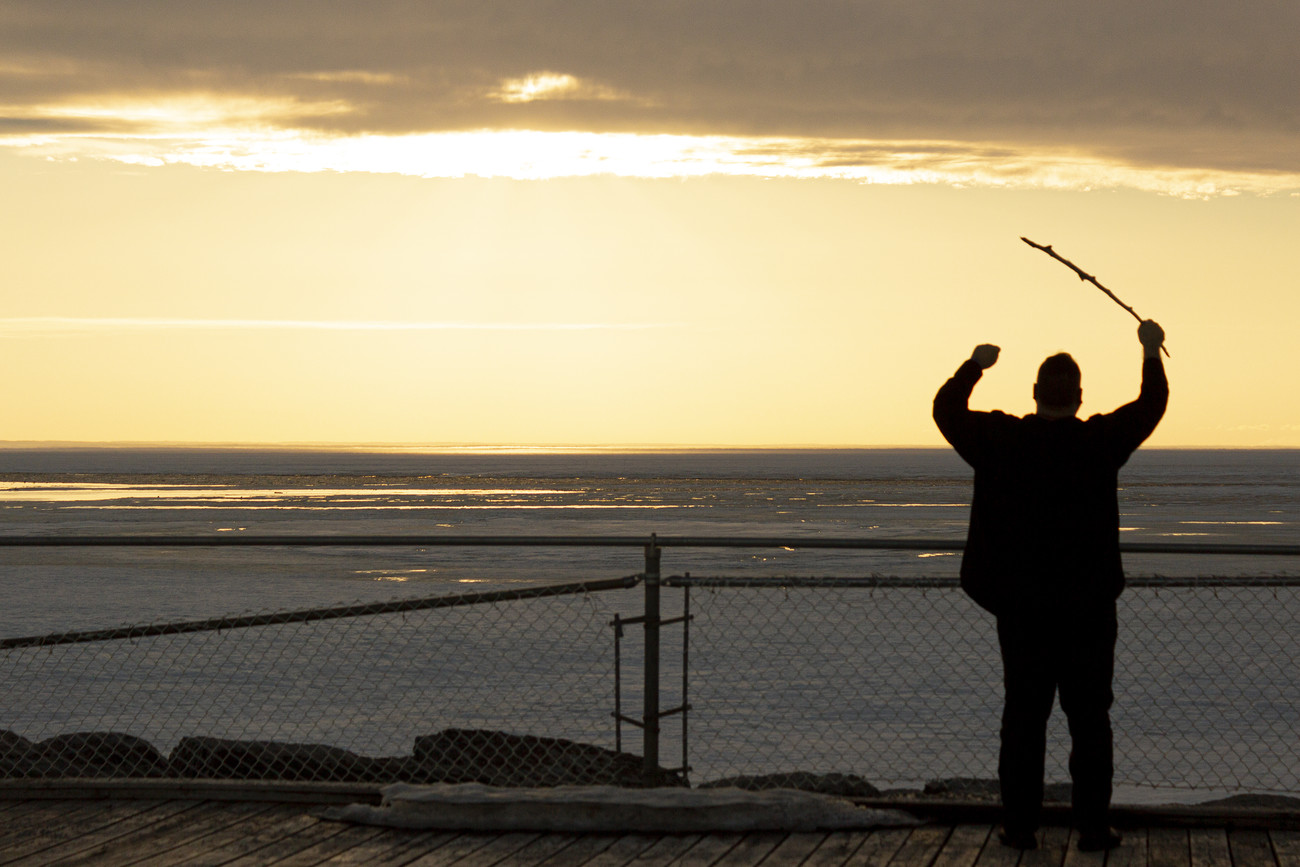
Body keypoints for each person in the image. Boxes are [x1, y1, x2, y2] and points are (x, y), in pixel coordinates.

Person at [932, 319, 1168, 852]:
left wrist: (974, 364)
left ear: (1034, 393)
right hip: (1087, 609)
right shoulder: (1099, 441)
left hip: (1022, 609)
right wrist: (1150, 351)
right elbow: (1150, 406)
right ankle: (1091, 828)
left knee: (1023, 717)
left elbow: (946, 412)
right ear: (1080, 397)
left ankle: (1019, 827)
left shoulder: (1002, 440)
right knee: (1089, 720)